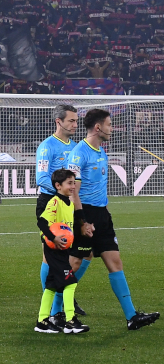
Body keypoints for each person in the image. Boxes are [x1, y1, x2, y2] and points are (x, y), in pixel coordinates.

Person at [66, 108, 159, 330]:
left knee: (115, 262)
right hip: (85, 214)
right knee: (75, 263)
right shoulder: (80, 153)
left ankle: (132, 316)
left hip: (101, 215)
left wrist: (104, 214)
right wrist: (81, 221)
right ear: (98, 127)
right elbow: (74, 191)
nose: (112, 129)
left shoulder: (100, 151)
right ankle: (56, 311)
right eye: (109, 125)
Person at [34, 104, 87, 321]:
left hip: (68, 203)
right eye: (71, 121)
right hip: (51, 202)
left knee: (79, 252)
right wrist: (62, 191)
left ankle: (64, 295)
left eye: (76, 121)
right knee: (51, 253)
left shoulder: (75, 148)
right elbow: (41, 177)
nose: (75, 125)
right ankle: (54, 307)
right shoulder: (47, 147)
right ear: (59, 121)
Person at [34, 169, 85, 334]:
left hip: (63, 249)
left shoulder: (68, 203)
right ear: (58, 185)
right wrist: (53, 239)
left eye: (73, 182)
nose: (73, 186)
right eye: (69, 183)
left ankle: (42, 321)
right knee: (70, 282)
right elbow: (42, 222)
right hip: (54, 249)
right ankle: (70, 320)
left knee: (51, 286)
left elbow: (66, 227)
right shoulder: (55, 202)